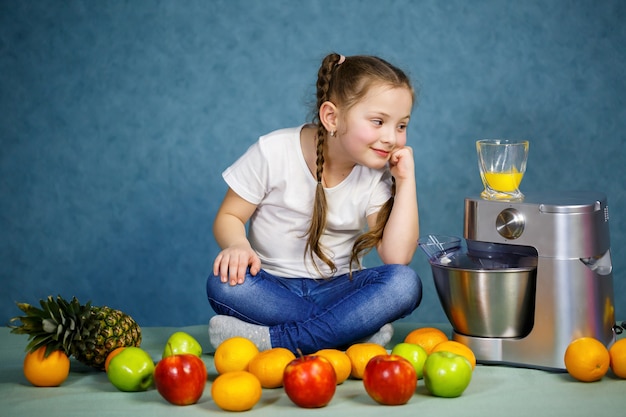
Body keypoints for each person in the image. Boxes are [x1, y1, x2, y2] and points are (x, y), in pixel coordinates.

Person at [206, 53, 422, 354]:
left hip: (339, 290)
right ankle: (351, 334)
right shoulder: (273, 151)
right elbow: (228, 215)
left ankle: (275, 341)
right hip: (272, 287)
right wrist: (238, 246)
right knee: (224, 284)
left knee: (404, 283)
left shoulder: (376, 173)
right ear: (332, 117)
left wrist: (406, 181)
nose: (391, 138)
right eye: (378, 121)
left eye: (401, 126)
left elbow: (397, 257)